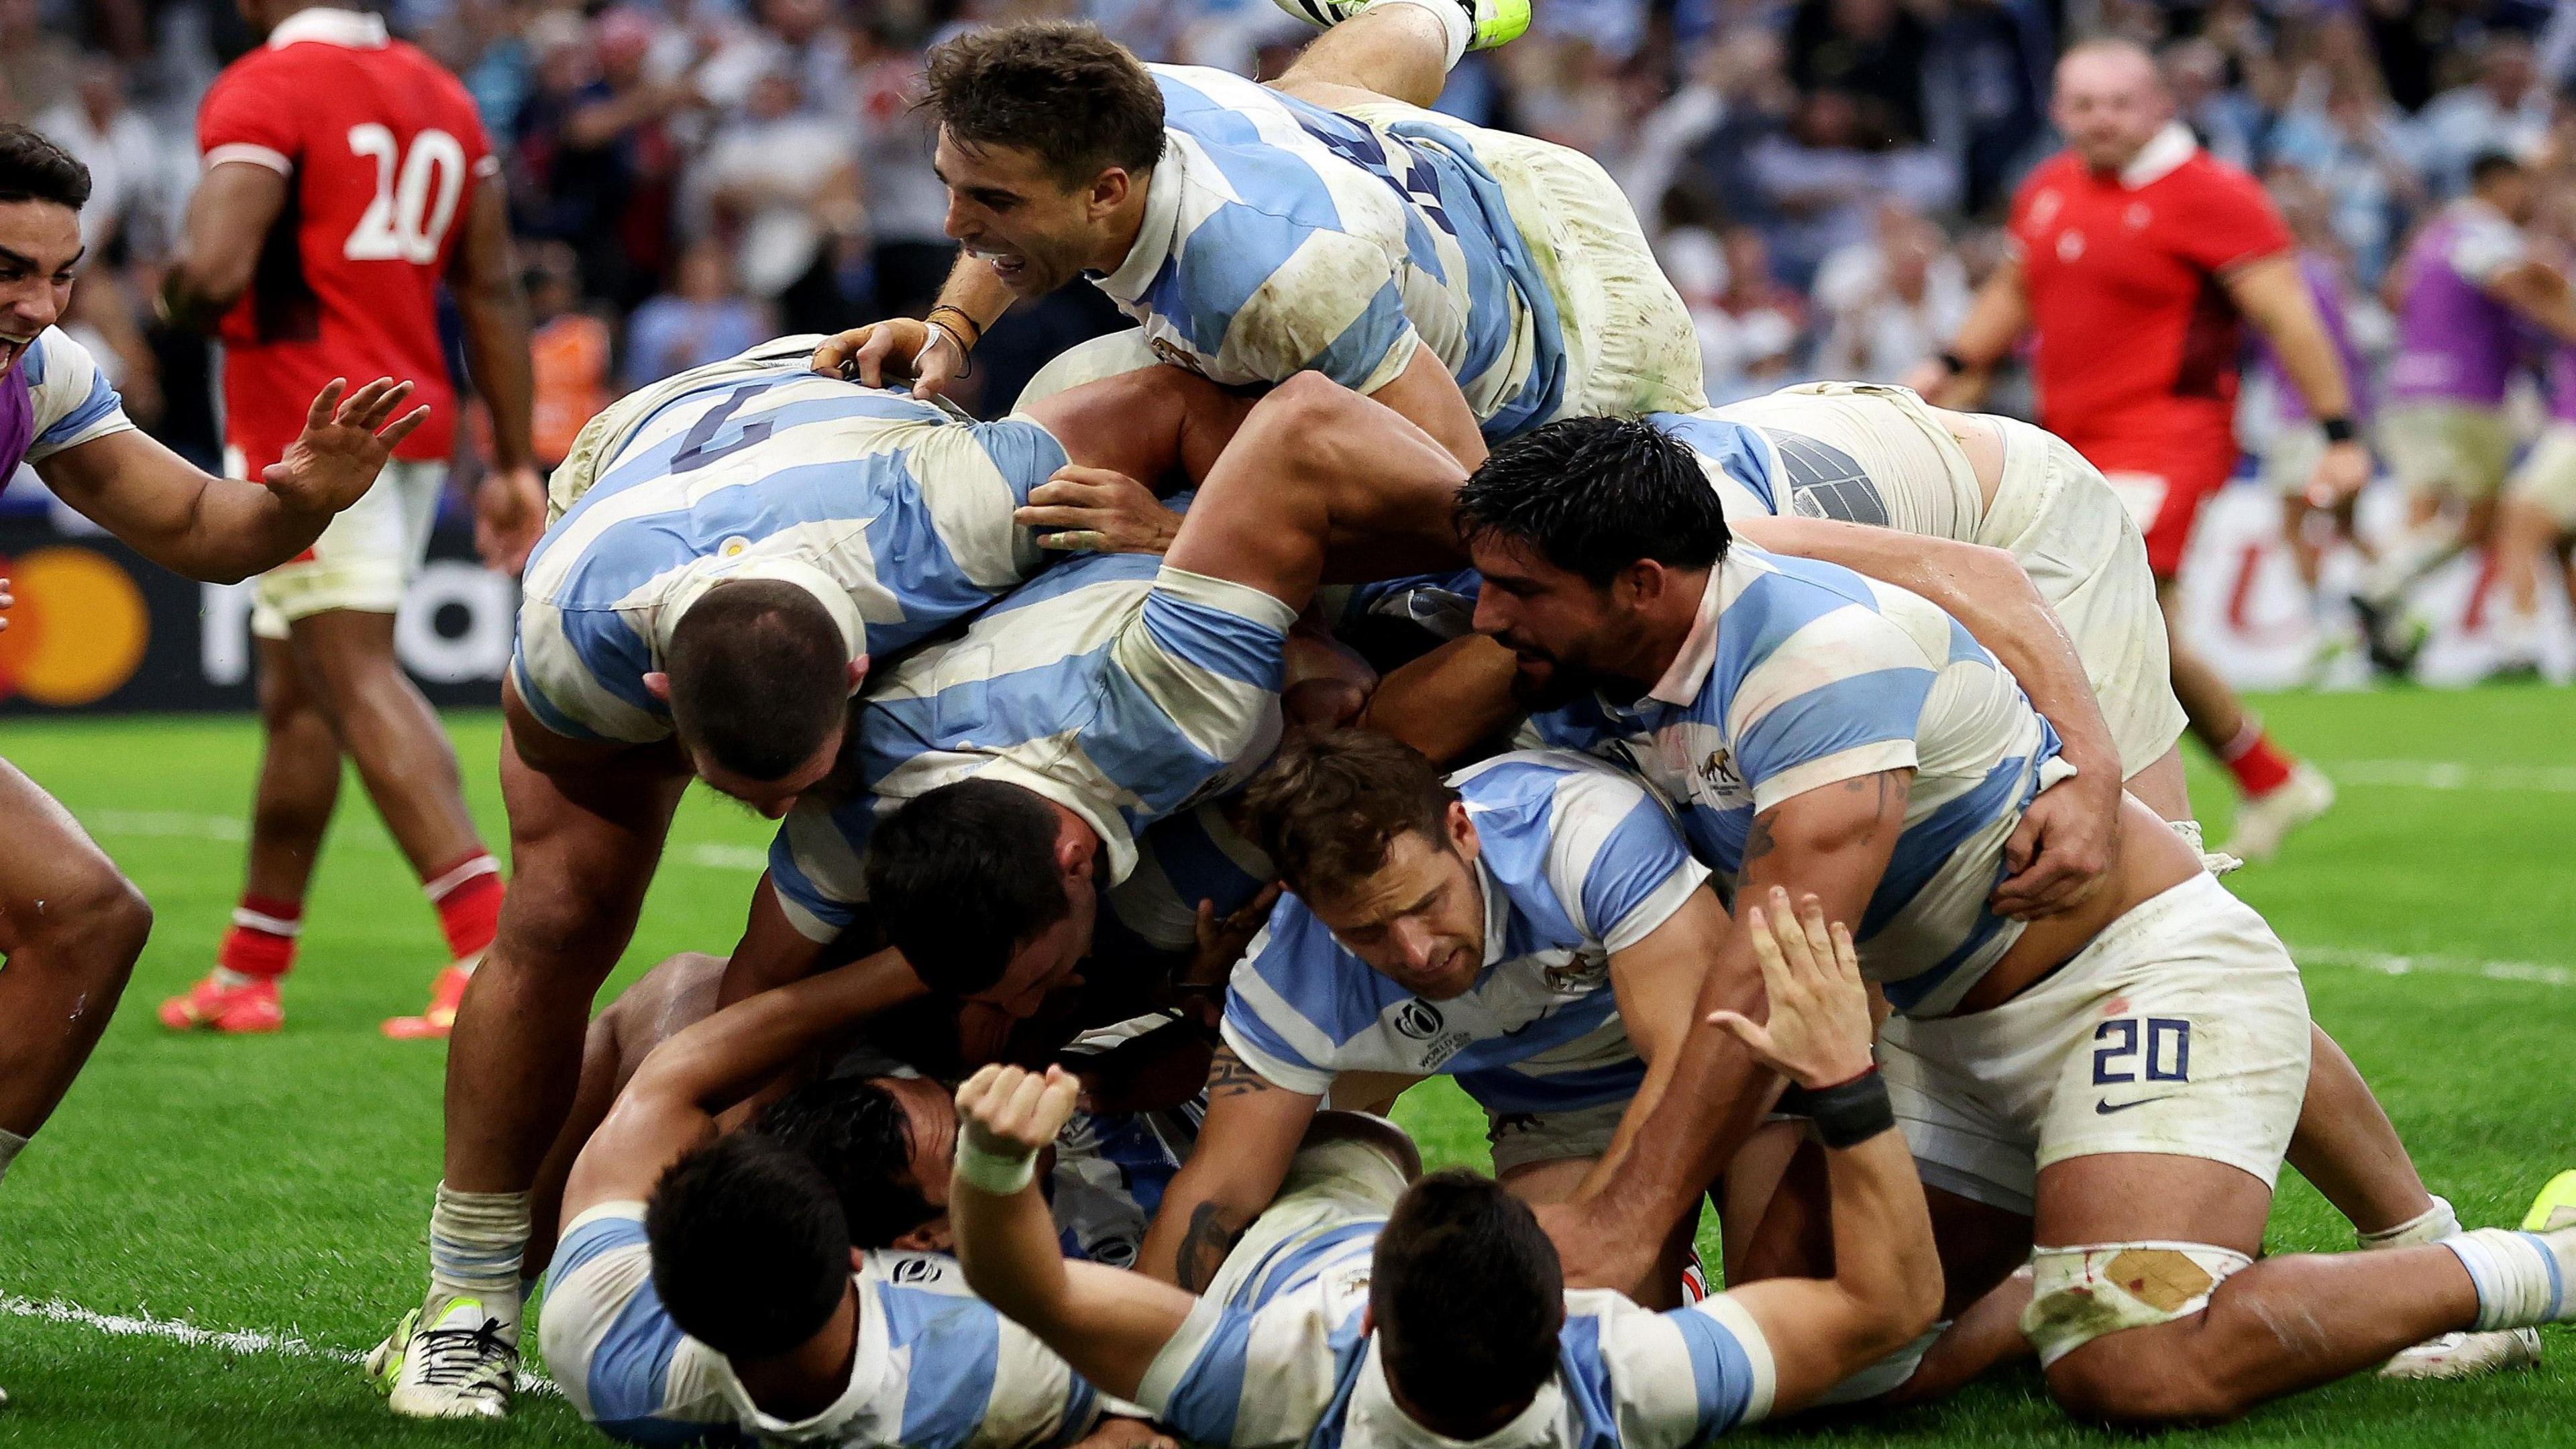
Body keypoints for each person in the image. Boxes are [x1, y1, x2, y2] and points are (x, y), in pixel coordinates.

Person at [1451, 417, 2576, 1426]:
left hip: (2129, 984)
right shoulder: (1687, 555)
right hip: (1951, 1039)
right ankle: (2077, 1263)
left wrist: (1627, 1223)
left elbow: (1769, 977)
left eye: (1519, 590)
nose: (1486, 619)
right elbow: (1962, 569)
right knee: (1825, 1355)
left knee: (2130, 1368)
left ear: (1641, 584)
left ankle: (2537, 1268)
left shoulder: (1812, 664)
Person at [367, 336, 1270, 1419]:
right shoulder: (579, 640)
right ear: (662, 701)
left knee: (962, 906)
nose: (782, 815)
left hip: (836, 449)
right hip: (630, 474)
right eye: (747, 795)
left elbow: (1176, 402)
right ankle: (468, 1301)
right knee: (565, 908)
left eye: (803, 782)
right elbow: (565, 765)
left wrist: (1183, 537)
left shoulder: (946, 512)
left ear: (861, 676)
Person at [943, 891, 1948, 1446]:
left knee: (1324, 1132)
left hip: (1311, 1205)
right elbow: (1892, 1303)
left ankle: (1214, 1005)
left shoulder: (1272, 1382)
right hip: (1346, 1219)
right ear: (1567, 1317)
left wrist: (990, 1163)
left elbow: (1020, 1284)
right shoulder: (1635, 1379)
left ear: (1367, 1319)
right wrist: (1844, 1079)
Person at [0, 123, 429, 1409]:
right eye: (6, 271)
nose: (37, 302)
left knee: (86, 919)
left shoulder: (44, 369)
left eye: (63, 271)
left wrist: (303, 497)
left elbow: (199, 524)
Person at [735, 376, 1470, 1012]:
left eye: (1036, 976)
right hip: (1101, 588)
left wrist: (1517, 541)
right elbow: (752, 991)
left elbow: (1302, 419)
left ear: (1073, 859)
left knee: (1369, 720)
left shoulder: (1175, 707)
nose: (1023, 1008)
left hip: (1172, 424)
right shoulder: (862, 811)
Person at [154, 0, 547, 1040]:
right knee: (300, 693)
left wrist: (170, 298)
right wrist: (512, 457)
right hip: (408, 412)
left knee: (353, 670)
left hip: (308, 428)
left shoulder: (265, 87)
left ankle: (490, 949)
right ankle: (252, 964)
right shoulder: (442, 94)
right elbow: (495, 286)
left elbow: (217, 269)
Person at [811, 8, 1703, 459]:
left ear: (1107, 190)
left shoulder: (1271, 291)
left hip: (1597, 346)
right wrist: (950, 329)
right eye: (951, 188)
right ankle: (1445, 5)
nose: (953, 225)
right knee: (1297, 106)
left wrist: (1193, 528)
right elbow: (1002, 215)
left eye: (991, 204)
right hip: (1483, 170)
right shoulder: (1110, 97)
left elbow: (1464, 487)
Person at [1911, 38, 2352, 864]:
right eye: (2084, 104)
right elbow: (2015, 291)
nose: (2102, 119)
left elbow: (2289, 315)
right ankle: (2264, 777)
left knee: (2099, 617)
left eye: (2119, 103)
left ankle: (2140, 834)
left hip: (2170, 436)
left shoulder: (2215, 194)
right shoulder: (2046, 191)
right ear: (2057, 110)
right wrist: (1953, 367)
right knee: (2127, 626)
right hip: (2064, 445)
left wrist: (2340, 434)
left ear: (2159, 106)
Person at [1138, 732, 1723, 1296]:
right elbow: (1219, 1191)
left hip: (1722, 1049)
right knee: (1559, 1325)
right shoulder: (1288, 982)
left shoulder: (1584, 831)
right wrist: (1123, 1392)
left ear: (1462, 830)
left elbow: (1701, 1062)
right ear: (1304, 900)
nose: (1417, 953)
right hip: (1555, 1101)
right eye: (1366, 932)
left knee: (1785, 1280)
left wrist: (1616, 1225)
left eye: (1427, 903)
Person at [527, 951, 1168, 1449]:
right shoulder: (982, 1366)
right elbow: (1178, 1365)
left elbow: (674, 1075)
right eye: (967, 1142)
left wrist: (926, 962)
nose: (986, 1101)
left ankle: (477, 1295)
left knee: (686, 989)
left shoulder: (603, 1321)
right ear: (896, 1251)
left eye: (950, 1092)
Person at [2353, 154, 2576, 676]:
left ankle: (2390, 619)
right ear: (2498, 183)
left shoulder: (2433, 235)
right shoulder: (2488, 233)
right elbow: (2509, 284)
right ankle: (2383, 589)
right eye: (2524, 187)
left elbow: (2393, 295)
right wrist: (2556, 311)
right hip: (2466, 393)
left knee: (2435, 516)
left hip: (2407, 390)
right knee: (2487, 520)